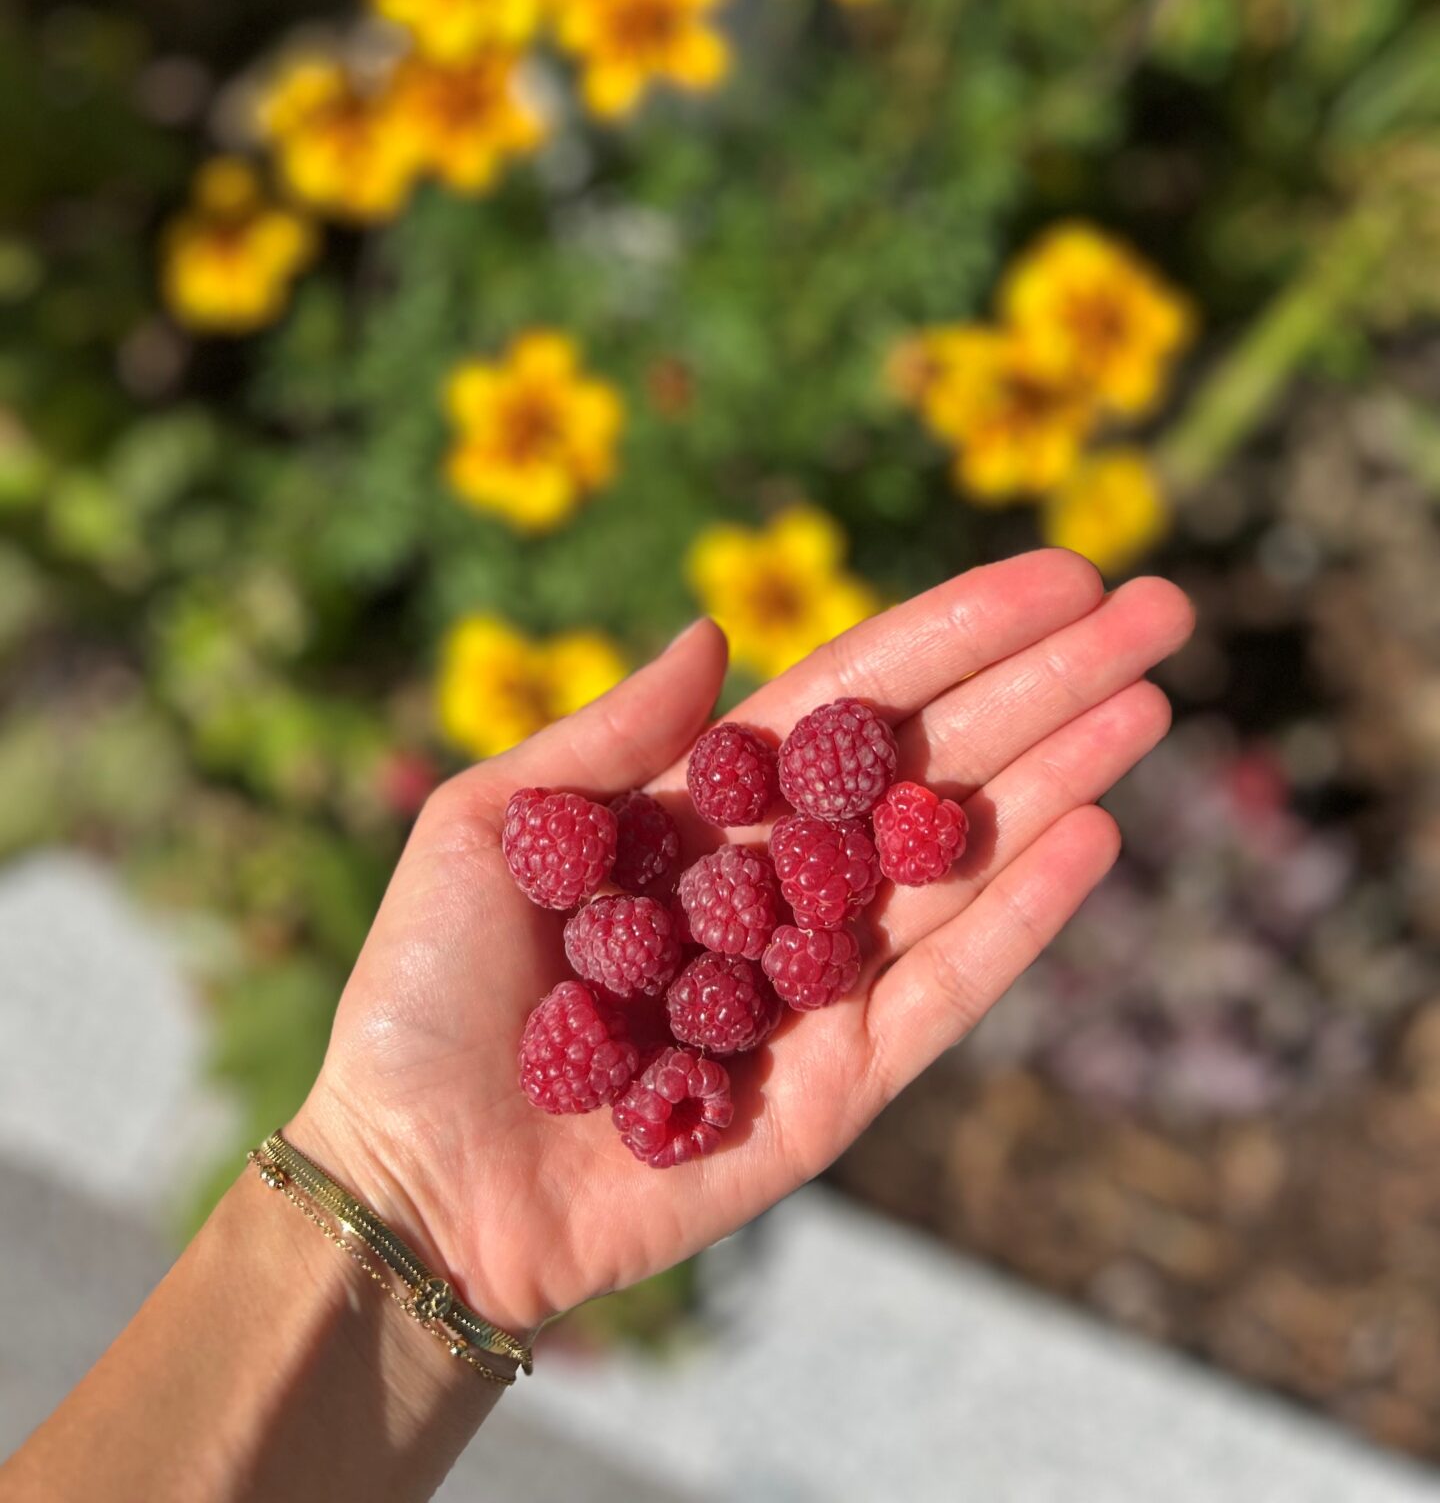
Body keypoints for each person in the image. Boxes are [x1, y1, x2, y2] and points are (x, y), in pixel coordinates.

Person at [0, 549, 1192, 1503]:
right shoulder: (659, 947)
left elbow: (733, 861)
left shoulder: (738, 906)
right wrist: (397, 1182)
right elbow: (693, 885)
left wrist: (396, 1190)